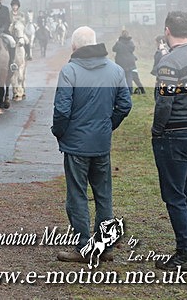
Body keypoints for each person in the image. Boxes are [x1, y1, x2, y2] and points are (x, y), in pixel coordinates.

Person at [53, 26, 132, 263]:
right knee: (103, 195)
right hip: (101, 144)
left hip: (76, 146)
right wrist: (107, 127)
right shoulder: (116, 70)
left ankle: (83, 247)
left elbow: (62, 110)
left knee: (77, 196)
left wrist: (59, 133)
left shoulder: (69, 71)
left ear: (75, 47)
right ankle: (104, 247)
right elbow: (125, 105)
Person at [151, 11, 187, 271]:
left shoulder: (168, 63)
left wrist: (157, 130)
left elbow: (164, 102)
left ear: (167, 31)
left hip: (175, 134)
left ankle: (186, 252)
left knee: (174, 196)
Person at [112, 30, 145, 94]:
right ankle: (130, 91)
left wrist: (117, 42)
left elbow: (114, 49)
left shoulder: (119, 43)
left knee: (121, 77)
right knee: (129, 77)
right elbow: (132, 49)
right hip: (130, 61)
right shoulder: (131, 42)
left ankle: (120, 90)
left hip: (121, 62)